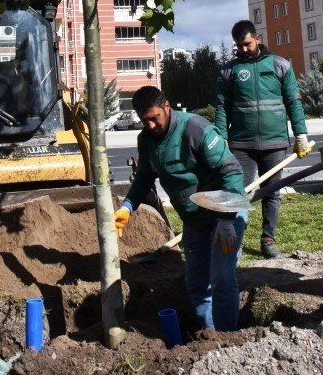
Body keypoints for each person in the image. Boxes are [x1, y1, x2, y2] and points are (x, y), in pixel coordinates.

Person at [114, 85, 247, 332]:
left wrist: (227, 219)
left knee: (221, 278)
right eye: (145, 121)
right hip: (194, 221)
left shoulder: (195, 129)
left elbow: (231, 170)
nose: (151, 125)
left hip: (224, 215)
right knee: (197, 284)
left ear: (167, 106)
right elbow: (144, 176)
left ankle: (228, 338)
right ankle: (210, 335)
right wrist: (128, 206)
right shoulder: (146, 139)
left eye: (155, 118)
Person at [214, 20, 311, 258]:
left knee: (272, 192)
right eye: (239, 46)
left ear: (257, 39)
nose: (243, 49)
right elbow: (221, 107)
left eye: (247, 44)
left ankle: (268, 240)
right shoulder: (229, 71)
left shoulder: (280, 65)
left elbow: (293, 101)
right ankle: (234, 241)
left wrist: (301, 133)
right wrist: (221, 137)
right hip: (241, 144)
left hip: (275, 142)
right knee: (237, 192)